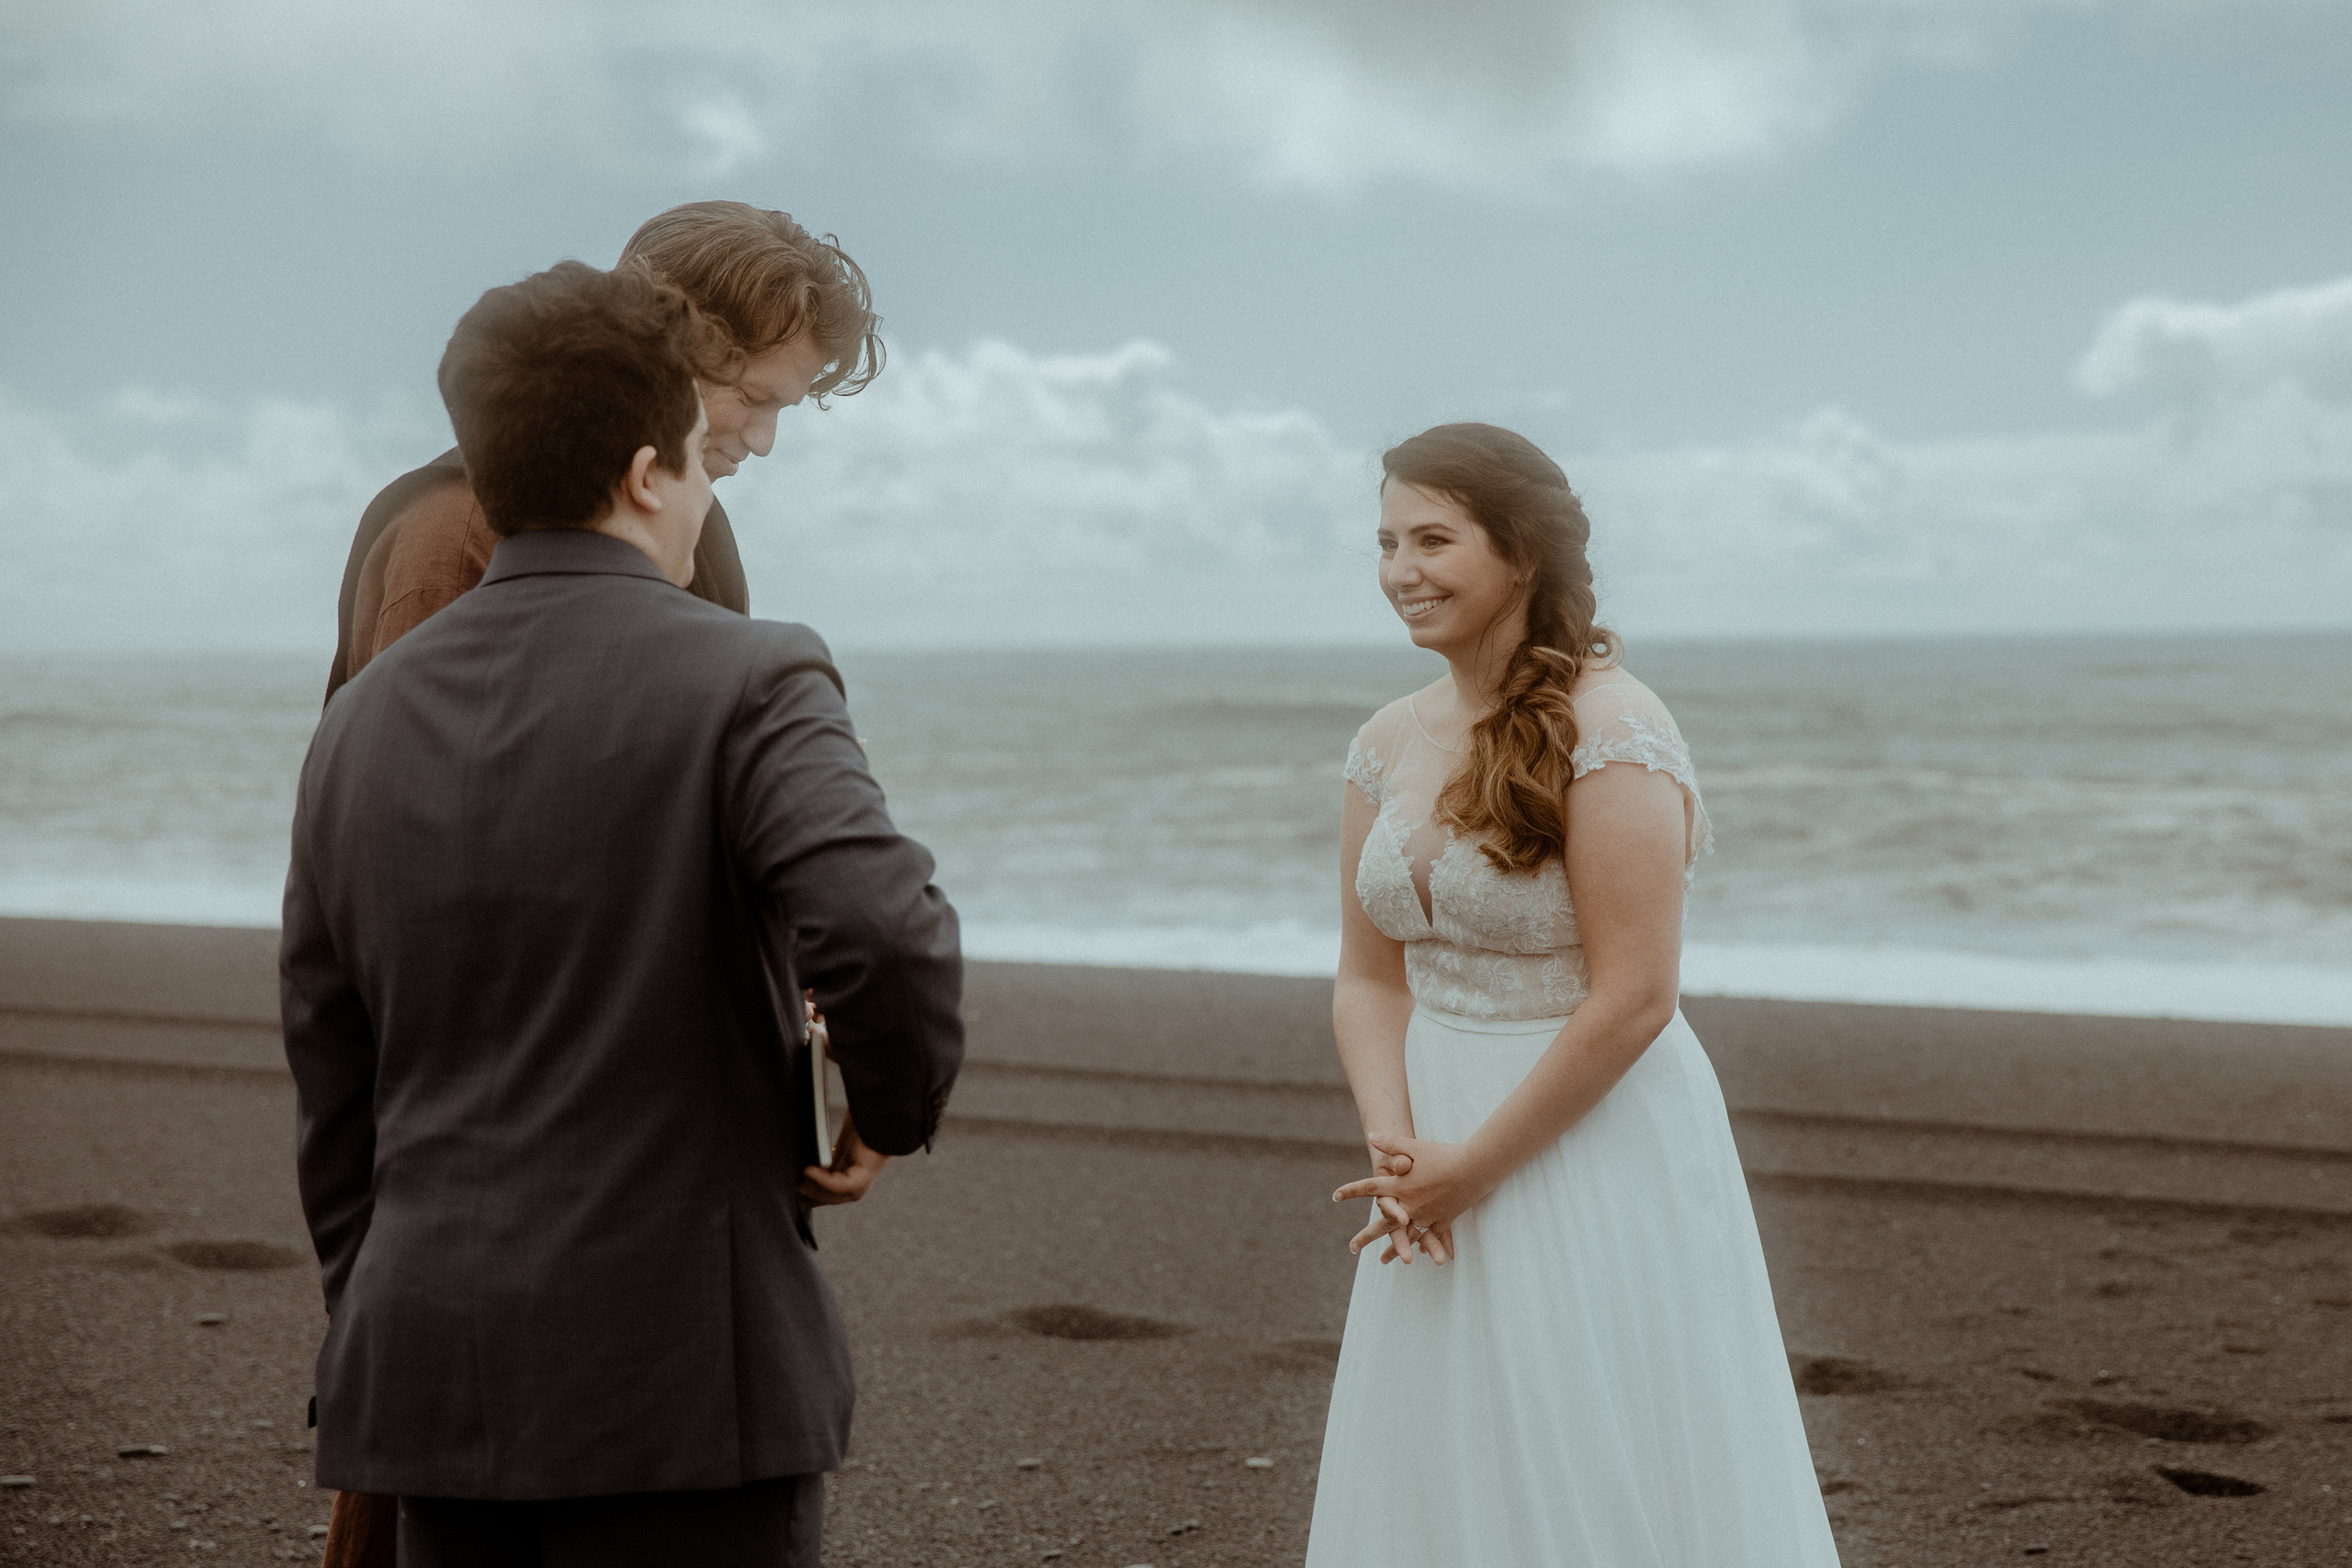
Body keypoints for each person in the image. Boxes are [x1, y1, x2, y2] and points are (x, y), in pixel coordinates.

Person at [281, 260, 962, 1568]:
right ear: (652, 470)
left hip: (428, 1366)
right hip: (684, 1380)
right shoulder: (755, 671)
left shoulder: (356, 723)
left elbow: (334, 1063)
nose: (722, 481)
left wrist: (378, 1317)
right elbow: (880, 929)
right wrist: (888, 1102)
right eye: (712, 453)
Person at [1306, 424, 1840, 1564]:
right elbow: (1365, 974)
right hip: (1434, 1135)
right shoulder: (1384, 739)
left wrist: (1477, 1166)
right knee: (1450, 1448)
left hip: (1589, 1131)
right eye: (1386, 540)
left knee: (1592, 1435)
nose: (1401, 569)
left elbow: (1636, 996)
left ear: (1521, 553)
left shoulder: (1616, 727)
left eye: (1434, 538)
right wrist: (1398, 1149)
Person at [323, 199, 882, 701]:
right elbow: (420, 793)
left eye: (784, 409)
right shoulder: (459, 531)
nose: (763, 442)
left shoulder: (703, 540)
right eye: (753, 397)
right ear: (662, 347)